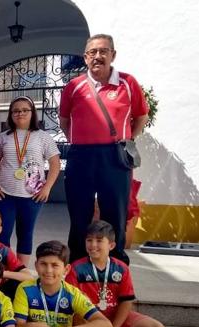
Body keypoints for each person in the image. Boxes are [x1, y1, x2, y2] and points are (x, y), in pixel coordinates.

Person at [59, 34, 149, 264]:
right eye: (92, 52)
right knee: (79, 213)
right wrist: (80, 140)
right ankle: (78, 263)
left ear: (113, 55)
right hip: (81, 156)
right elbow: (65, 120)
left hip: (115, 156)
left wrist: (127, 139)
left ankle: (115, 264)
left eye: (103, 51)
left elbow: (141, 117)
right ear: (85, 58)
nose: (97, 56)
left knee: (115, 213)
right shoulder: (73, 86)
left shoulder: (128, 83)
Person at [66, 220, 165, 327]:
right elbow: (72, 307)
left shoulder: (121, 268)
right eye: (89, 240)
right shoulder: (75, 268)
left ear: (111, 245)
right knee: (77, 318)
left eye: (99, 241)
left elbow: (126, 301)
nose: (93, 245)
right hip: (89, 318)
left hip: (114, 316)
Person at [14, 240, 113, 327]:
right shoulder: (25, 289)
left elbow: (107, 326)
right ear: (36, 266)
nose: (48, 270)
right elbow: (17, 326)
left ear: (66, 270)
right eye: (43, 264)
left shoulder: (72, 293)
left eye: (55, 265)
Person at [0, 96, 61, 266]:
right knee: (1, 234)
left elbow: (55, 164)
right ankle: (1, 270)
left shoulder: (43, 137)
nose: (20, 113)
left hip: (32, 196)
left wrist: (47, 188)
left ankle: (20, 271)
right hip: (5, 194)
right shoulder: (4, 137)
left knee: (25, 233)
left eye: (24, 110)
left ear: (32, 113)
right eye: (15, 111)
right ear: (11, 114)